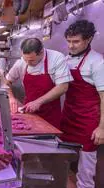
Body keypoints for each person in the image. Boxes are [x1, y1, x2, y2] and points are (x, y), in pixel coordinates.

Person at [60, 20, 104, 188]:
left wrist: (102, 127)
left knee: (86, 168)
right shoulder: (66, 59)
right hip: (68, 117)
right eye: (69, 41)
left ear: (88, 39)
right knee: (63, 160)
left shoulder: (97, 62)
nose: (71, 46)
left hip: (89, 122)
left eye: (76, 41)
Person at [6, 38, 73, 128]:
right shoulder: (22, 62)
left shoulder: (56, 58)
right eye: (25, 60)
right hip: (29, 112)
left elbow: (63, 86)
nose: (28, 63)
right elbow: (6, 82)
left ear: (41, 52)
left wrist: (38, 102)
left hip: (50, 115)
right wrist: (11, 97)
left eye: (31, 60)